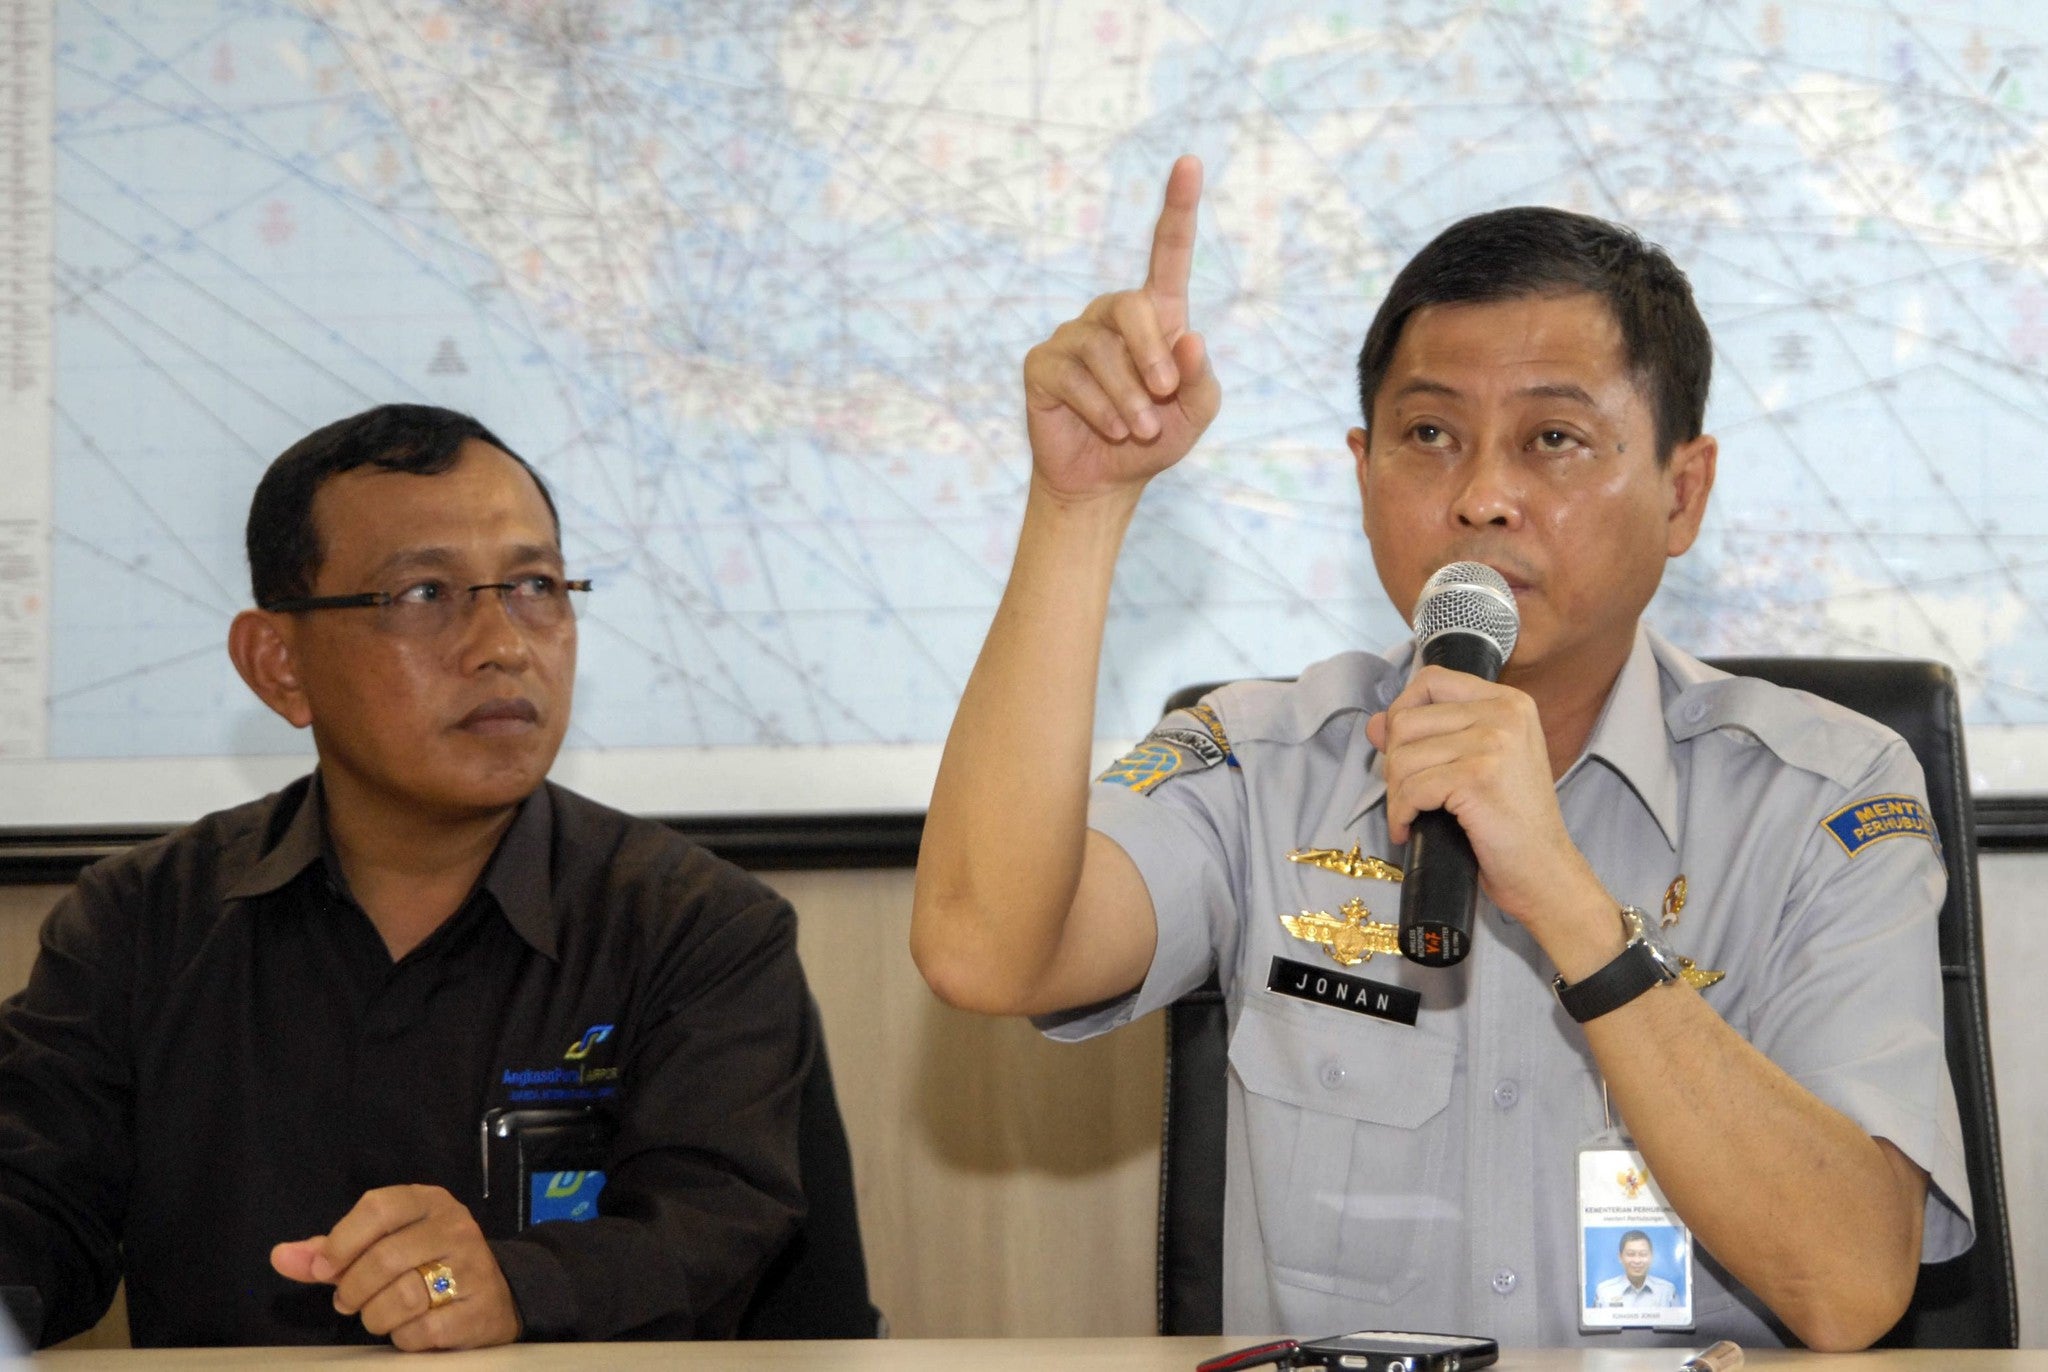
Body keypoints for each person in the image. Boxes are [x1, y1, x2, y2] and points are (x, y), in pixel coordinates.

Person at [910, 157, 1972, 1349]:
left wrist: (1564, 897)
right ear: (1361, 473)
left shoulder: (1828, 796)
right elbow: (979, 949)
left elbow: (1851, 1285)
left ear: (1683, 494)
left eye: (1553, 438)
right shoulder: (1256, 764)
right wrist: (1079, 506)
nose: (1480, 496)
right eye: (1427, 432)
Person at [0, 405, 820, 1349]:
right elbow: (33, 1207)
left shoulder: (696, 926)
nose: (504, 643)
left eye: (536, 585)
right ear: (279, 665)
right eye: (425, 594)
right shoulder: (138, 923)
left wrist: (522, 1284)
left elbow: (717, 1227)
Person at [1595, 1232, 1677, 1310]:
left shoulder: (1667, 1290)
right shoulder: (1604, 1291)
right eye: (1631, 1254)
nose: (1637, 1261)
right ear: (1620, 1257)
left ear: (1651, 1257)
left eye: (1643, 1254)